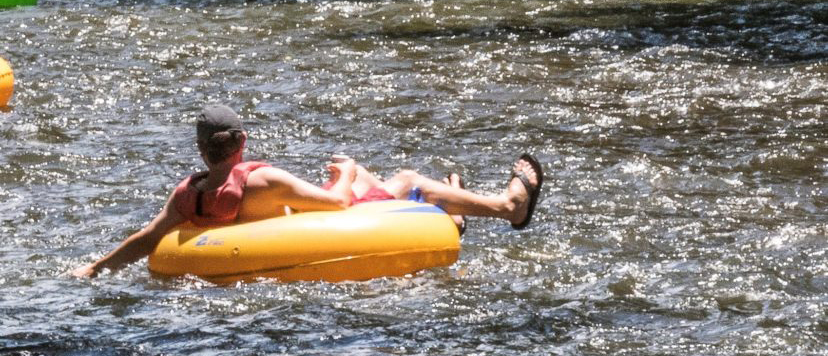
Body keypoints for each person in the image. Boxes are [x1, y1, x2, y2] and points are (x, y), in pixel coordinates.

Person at [71, 104, 544, 278]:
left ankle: (455, 211)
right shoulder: (262, 180)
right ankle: (508, 207)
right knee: (402, 179)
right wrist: (348, 168)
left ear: (201, 151)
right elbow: (338, 202)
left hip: (251, 241)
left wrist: (96, 267)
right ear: (242, 143)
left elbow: (147, 237)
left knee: (376, 182)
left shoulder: (187, 195)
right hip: (318, 230)